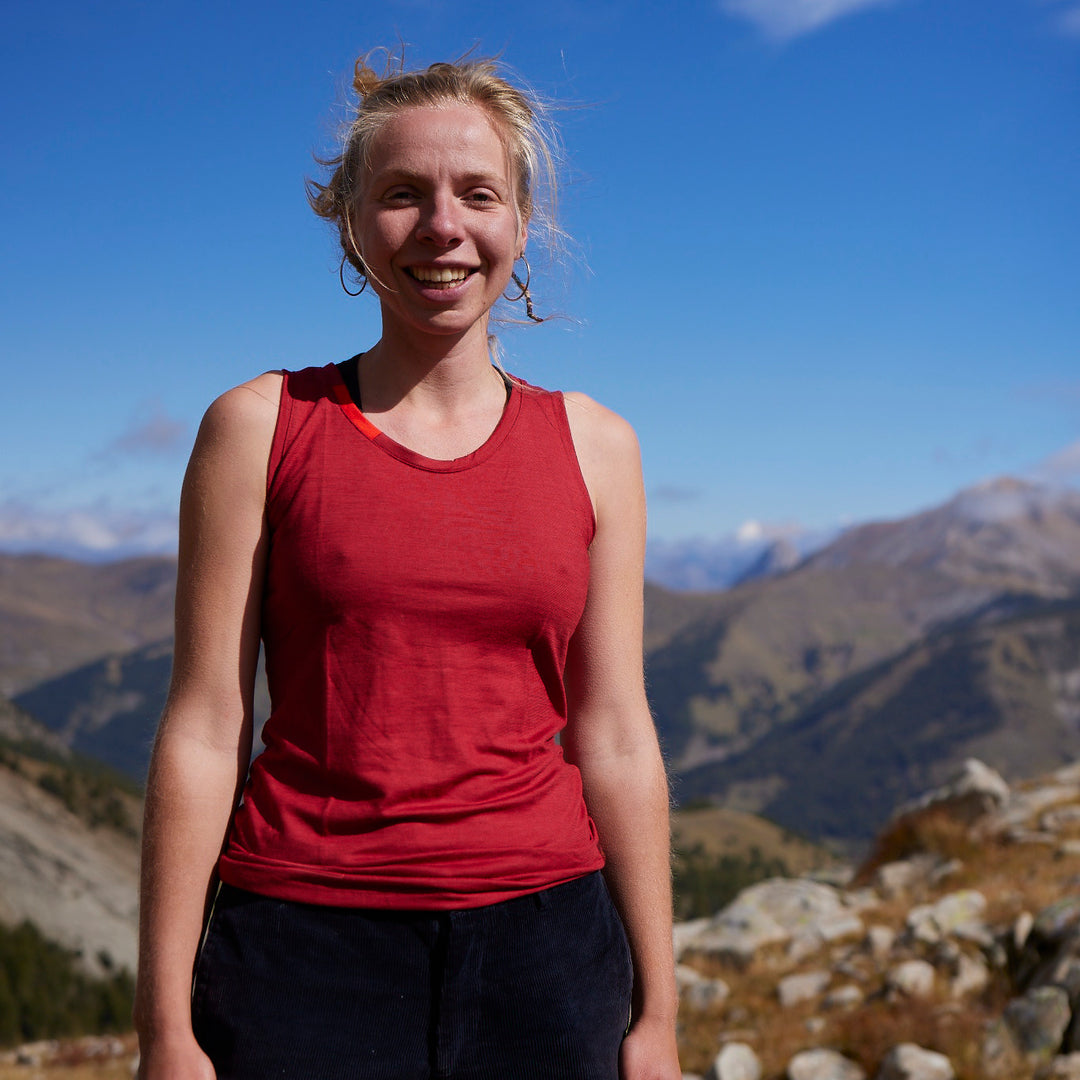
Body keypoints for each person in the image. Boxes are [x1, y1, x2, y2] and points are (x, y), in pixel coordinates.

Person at [133, 52, 680, 1080]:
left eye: (478, 195)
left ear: (522, 222)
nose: (443, 228)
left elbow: (613, 728)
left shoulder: (598, 446)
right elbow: (207, 724)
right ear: (349, 221)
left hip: (553, 952)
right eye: (401, 195)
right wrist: (167, 1027)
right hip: (302, 949)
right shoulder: (259, 429)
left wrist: (658, 1013)